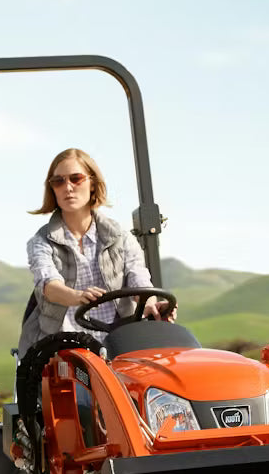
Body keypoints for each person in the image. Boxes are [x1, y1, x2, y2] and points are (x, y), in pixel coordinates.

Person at [17, 147, 174, 357]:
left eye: (76, 178)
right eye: (59, 181)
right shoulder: (41, 241)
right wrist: (77, 296)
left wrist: (151, 305)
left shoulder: (120, 236)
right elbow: (48, 285)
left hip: (119, 344)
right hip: (65, 349)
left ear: (92, 184)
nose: (68, 187)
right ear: (52, 189)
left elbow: (139, 278)